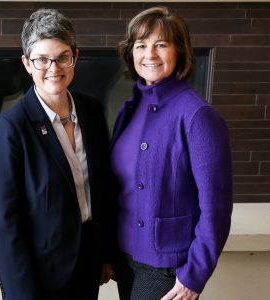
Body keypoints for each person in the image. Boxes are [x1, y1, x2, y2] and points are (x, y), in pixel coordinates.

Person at [0, 8, 115, 300]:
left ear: (75, 58)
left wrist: (105, 253)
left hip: (86, 262)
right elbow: (4, 222)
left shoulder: (92, 110)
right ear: (27, 64)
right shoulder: (9, 127)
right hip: (37, 275)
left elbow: (102, 187)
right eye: (42, 59)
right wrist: (20, 292)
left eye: (62, 57)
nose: (53, 68)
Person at [110, 6, 233, 300]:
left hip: (166, 266)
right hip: (125, 257)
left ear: (179, 51)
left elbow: (216, 207)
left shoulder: (197, 115)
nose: (149, 54)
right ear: (131, 53)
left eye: (161, 44)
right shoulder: (130, 107)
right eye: (141, 45)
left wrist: (194, 275)